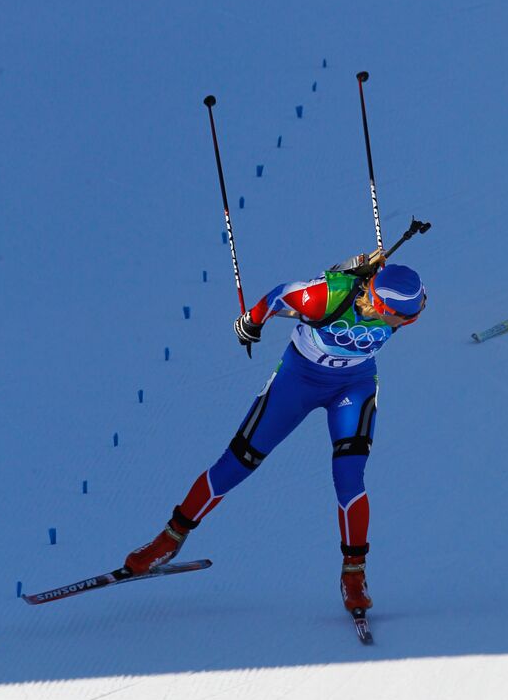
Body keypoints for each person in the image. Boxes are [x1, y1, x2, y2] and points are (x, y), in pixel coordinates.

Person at [123, 255, 427, 613]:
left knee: (349, 477)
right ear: (379, 303)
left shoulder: (396, 303)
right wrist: (252, 322)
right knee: (238, 462)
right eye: (404, 317)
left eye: (415, 314)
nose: (408, 323)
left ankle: (353, 573)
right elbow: (281, 296)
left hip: (354, 385)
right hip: (298, 383)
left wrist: (363, 266)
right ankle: (170, 538)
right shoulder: (326, 296)